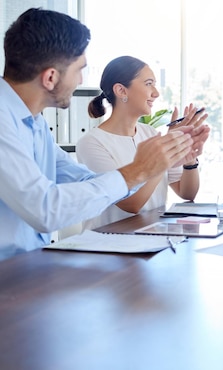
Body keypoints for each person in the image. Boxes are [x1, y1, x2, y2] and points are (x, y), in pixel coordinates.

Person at [0, 8, 205, 260]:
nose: (81, 80)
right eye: (79, 69)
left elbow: (85, 179)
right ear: (51, 77)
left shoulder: (35, 123)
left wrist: (157, 161)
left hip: (26, 269)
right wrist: (141, 169)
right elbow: (45, 210)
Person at [76, 56, 209, 230]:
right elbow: (131, 205)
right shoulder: (92, 143)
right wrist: (164, 156)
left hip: (151, 239)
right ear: (121, 91)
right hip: (111, 246)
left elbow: (187, 193)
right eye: (148, 84)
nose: (156, 93)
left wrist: (189, 158)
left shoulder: (150, 133)